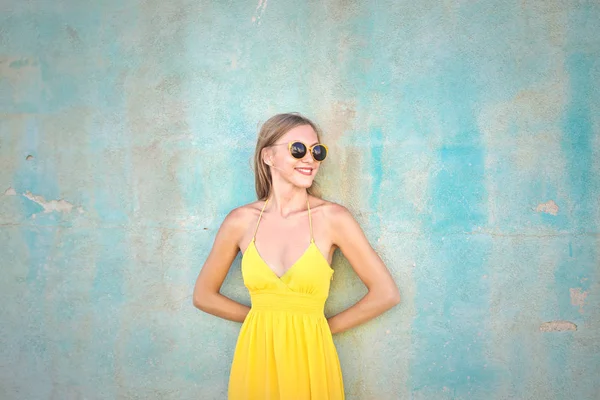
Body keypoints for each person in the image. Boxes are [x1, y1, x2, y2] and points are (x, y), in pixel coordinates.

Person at [193, 113, 401, 399]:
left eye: (317, 151)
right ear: (268, 156)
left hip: (312, 356)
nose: (310, 159)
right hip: (257, 356)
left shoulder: (333, 218)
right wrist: (264, 320)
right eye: (298, 149)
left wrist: (318, 328)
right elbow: (203, 295)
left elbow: (386, 294)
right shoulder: (240, 221)